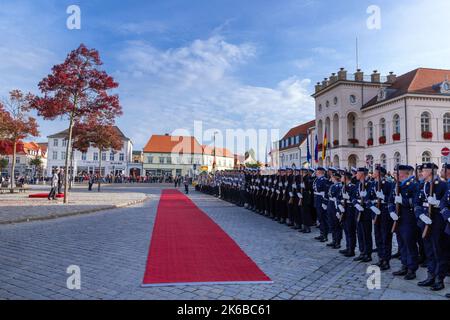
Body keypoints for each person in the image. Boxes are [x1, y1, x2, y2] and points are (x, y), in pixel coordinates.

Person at [414, 163, 448, 291]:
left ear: (430, 171)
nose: (421, 173)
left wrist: (438, 203)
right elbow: (417, 202)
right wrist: (421, 216)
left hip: (437, 222)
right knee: (428, 249)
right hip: (425, 221)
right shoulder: (422, 185)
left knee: (438, 250)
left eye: (423, 170)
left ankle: (440, 278)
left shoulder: (443, 185)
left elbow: (446, 203)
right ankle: (431, 275)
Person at [389, 165, 419, 280]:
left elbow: (415, 201)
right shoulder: (396, 185)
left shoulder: (413, 185)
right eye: (397, 174)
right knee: (401, 243)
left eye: (400, 174)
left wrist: (403, 201)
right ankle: (404, 265)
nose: (397, 176)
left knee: (409, 243)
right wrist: (391, 211)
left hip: (408, 219)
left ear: (406, 174)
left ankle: (412, 268)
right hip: (398, 219)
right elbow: (390, 201)